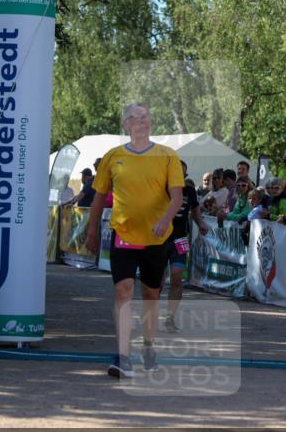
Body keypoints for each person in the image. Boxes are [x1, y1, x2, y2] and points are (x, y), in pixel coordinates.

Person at [84, 103, 183, 379]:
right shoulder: (112, 156)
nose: (143, 122)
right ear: (126, 125)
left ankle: (149, 347)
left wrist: (166, 218)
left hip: (156, 239)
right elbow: (99, 197)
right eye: (136, 118)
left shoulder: (167, 156)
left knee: (151, 295)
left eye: (146, 117)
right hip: (124, 235)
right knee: (123, 291)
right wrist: (92, 231)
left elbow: (176, 195)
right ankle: (123, 356)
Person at [163, 160, 210, 333]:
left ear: (185, 175)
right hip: (159, 240)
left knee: (176, 277)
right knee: (157, 281)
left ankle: (170, 317)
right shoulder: (160, 187)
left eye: (181, 173)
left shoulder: (189, 191)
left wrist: (202, 224)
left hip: (180, 240)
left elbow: (196, 213)